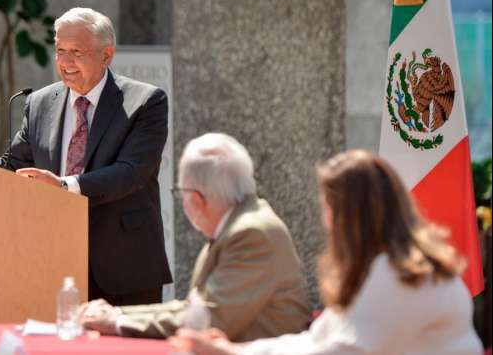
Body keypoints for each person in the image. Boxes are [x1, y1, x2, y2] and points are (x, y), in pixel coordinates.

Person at [0, 7, 172, 305]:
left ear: (106, 55)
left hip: (124, 266)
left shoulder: (145, 101)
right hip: (51, 264)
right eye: (60, 51)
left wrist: (64, 186)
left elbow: (132, 172)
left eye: (77, 52)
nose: (66, 63)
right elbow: (13, 168)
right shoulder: (40, 103)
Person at [172, 150, 484, 355]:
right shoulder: (383, 267)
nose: (325, 221)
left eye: (328, 207)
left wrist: (230, 353)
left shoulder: (398, 274)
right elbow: (316, 340)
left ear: (350, 213)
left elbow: (338, 351)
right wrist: (237, 350)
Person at [79, 133, 310, 341]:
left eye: (180, 194)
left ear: (197, 200)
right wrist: (118, 313)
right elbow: (195, 307)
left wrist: (116, 322)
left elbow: (207, 319)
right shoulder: (240, 223)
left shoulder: (250, 234)